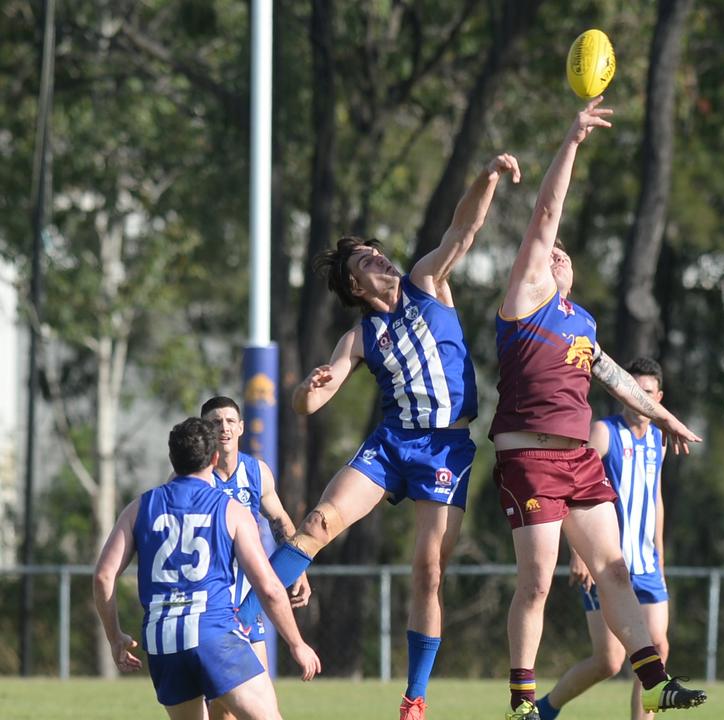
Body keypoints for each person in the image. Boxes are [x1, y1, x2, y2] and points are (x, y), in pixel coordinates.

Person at [231, 153, 521, 720]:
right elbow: (311, 400)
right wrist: (306, 390)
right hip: (391, 443)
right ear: (355, 284)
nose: (379, 258)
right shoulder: (361, 335)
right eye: (367, 258)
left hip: (445, 446)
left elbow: (464, 230)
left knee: (428, 569)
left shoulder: (426, 282)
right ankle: (238, 622)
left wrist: (484, 176)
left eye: (376, 250)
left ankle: (414, 698)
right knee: (316, 523)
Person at [491, 97, 705, 720]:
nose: (556, 254)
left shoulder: (580, 321)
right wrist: (572, 141)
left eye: (563, 255)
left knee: (614, 568)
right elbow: (546, 214)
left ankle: (659, 681)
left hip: (580, 460)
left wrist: (663, 416)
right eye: (548, 252)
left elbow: (612, 375)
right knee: (535, 582)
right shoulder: (525, 299)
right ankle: (522, 704)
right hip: (528, 458)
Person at [91, 418, 321, 720]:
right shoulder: (231, 510)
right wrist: (297, 643)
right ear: (214, 458)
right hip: (214, 635)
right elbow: (268, 587)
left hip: (164, 644)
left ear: (173, 458)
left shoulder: (140, 507)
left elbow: (103, 576)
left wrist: (115, 637)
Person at [535, 357, 673, 720]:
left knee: (657, 649)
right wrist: (578, 552)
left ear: (658, 396)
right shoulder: (605, 432)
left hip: (646, 565)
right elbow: (570, 487)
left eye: (646, 393)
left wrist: (659, 554)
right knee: (609, 660)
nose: (638, 400)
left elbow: (654, 496)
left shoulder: (658, 438)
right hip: (606, 562)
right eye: (633, 392)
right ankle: (546, 709)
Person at [199, 395, 310, 720]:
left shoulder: (256, 472)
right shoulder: (195, 477)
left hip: (248, 603)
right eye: (215, 422)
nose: (224, 427)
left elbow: (280, 520)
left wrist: (296, 569)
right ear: (204, 429)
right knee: (224, 710)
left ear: (241, 427)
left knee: (262, 705)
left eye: (230, 421)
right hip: (211, 607)